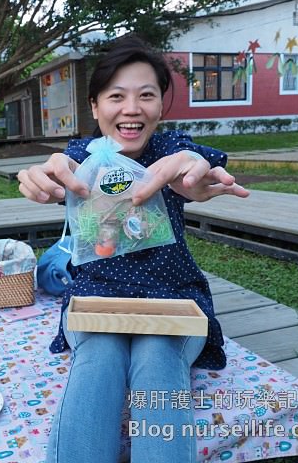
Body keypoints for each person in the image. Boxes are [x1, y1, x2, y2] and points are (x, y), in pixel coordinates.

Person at [17, 36, 250, 463]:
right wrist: (46, 178)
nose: (131, 108)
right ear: (94, 106)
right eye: (116, 96)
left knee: (159, 359)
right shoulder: (82, 160)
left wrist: (196, 174)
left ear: (162, 104)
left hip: (174, 302)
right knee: (98, 363)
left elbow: (195, 167)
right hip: (95, 302)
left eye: (146, 95)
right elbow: (59, 168)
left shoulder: (173, 151)